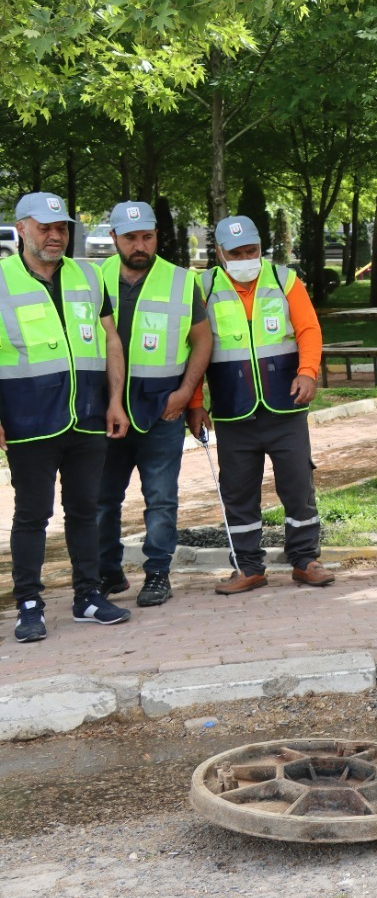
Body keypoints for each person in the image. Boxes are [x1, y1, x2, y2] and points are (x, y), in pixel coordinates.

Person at [6, 192, 131, 643]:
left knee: (85, 510)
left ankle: (88, 597)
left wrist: (115, 401)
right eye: (45, 227)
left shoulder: (89, 275)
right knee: (32, 514)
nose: (55, 235)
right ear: (21, 228)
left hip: (87, 417)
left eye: (61, 228)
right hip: (28, 420)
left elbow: (111, 341)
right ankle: (29, 605)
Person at [185, 216, 332, 594]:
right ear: (218, 253)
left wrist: (308, 372)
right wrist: (196, 402)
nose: (246, 258)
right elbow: (195, 348)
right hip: (234, 412)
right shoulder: (202, 287)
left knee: (298, 487)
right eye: (236, 253)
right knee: (237, 491)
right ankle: (248, 567)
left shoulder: (284, 280)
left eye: (252, 251)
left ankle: (305, 560)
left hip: (285, 406)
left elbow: (309, 329)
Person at [96, 202, 213, 608]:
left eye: (147, 236)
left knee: (161, 497)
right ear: (114, 238)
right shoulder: (92, 279)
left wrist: (186, 392)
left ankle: (158, 574)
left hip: (163, 406)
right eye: (130, 238)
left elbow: (203, 340)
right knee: (101, 497)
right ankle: (107, 573)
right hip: (106, 408)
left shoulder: (182, 281)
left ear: (157, 236)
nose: (140, 245)